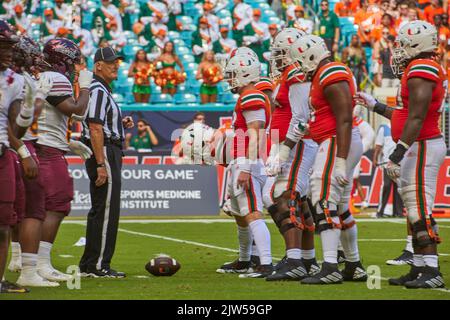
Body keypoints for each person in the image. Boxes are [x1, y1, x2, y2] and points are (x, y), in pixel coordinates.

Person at [355, 21, 446, 289]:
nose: (399, 50)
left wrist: (398, 152)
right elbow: (406, 115)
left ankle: (432, 270)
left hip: (423, 144)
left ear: (418, 45)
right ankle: (419, 267)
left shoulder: (422, 68)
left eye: (404, 44)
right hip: (419, 144)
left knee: (419, 209)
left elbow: (417, 118)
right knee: (413, 209)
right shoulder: (418, 69)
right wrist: (375, 105)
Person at [15, 38, 93, 287]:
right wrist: (86, 86)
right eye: (72, 61)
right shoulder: (55, 78)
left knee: (32, 208)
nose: (74, 66)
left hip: (37, 145)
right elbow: (77, 111)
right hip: (46, 150)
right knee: (55, 204)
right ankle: (40, 263)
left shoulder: (36, 78)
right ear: (64, 60)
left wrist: (68, 141)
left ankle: (24, 260)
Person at [290, 35, 367, 284]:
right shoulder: (324, 73)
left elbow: (344, 117)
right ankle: (353, 264)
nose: (300, 66)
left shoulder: (330, 71)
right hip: (337, 140)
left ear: (312, 55)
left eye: (301, 60)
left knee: (323, 199)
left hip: (337, 141)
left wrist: (341, 158)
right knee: (340, 206)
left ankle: (331, 266)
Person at [264, 28, 320, 281]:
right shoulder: (291, 74)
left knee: (283, 196)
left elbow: (301, 118)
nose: (275, 59)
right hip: (293, 142)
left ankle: (296, 259)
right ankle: (307, 260)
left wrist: (285, 147)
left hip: (297, 144)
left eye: (279, 53)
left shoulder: (297, 74)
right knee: (299, 201)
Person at [80, 47, 134, 278]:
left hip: (104, 149)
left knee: (100, 208)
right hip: (105, 152)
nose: (116, 66)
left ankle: (89, 263)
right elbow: (94, 126)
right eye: (111, 62)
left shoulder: (99, 89)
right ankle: (99, 264)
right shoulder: (98, 89)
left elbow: (100, 123)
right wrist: (101, 163)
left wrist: (120, 124)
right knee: (106, 210)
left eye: (117, 62)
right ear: (98, 65)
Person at [219, 52, 273, 278]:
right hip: (241, 161)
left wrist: (247, 167)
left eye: (232, 75)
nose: (230, 79)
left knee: (252, 213)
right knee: (241, 214)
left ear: (244, 73)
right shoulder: (247, 96)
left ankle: (266, 264)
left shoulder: (252, 96)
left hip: (248, 162)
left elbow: (256, 133)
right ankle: (244, 260)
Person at [0, 20, 31, 294]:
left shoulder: (15, 80)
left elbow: (16, 127)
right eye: (4, 45)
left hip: (2, 154)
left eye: (11, 45)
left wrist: (27, 111)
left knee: (3, 223)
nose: (10, 51)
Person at [372, 123, 404, 217]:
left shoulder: (402, 126)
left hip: (400, 163)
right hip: (387, 163)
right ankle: (380, 211)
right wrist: (375, 158)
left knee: (398, 188)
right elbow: (378, 145)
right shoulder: (384, 128)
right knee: (386, 186)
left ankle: (398, 212)